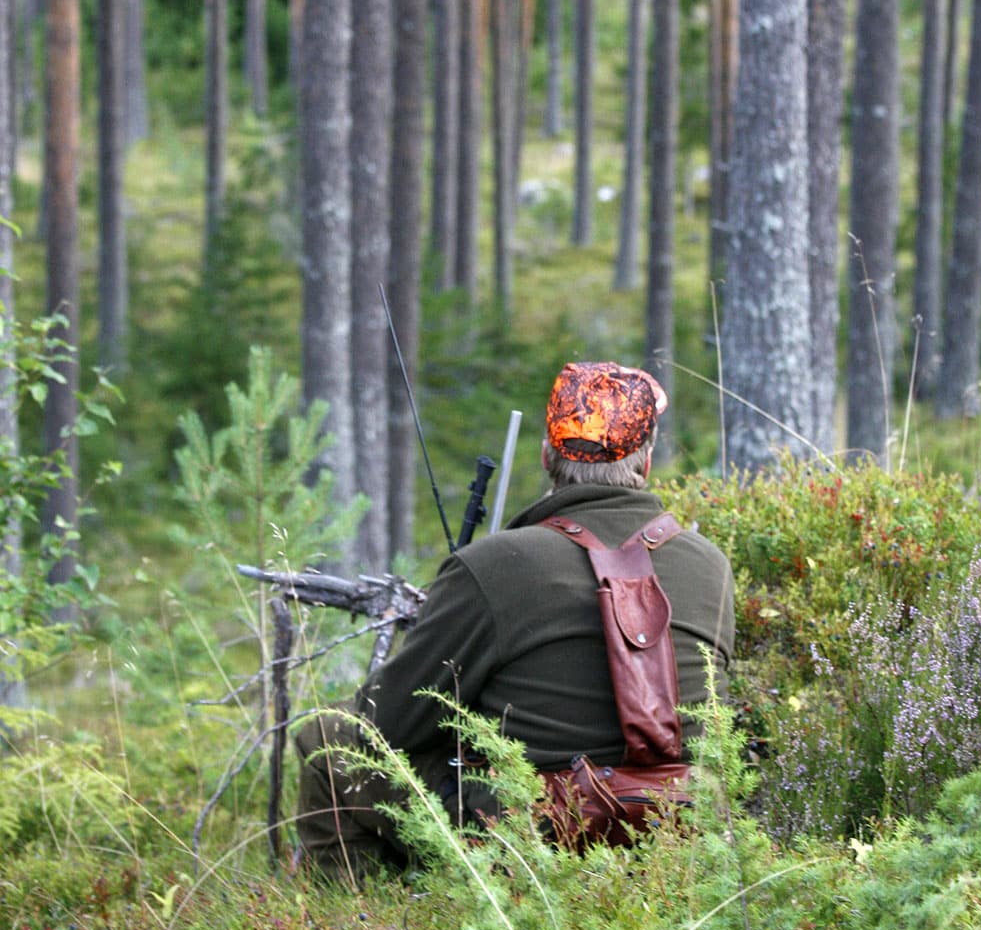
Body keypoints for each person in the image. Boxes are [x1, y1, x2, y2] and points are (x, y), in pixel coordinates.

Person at [295, 361, 735, 880]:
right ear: (646, 461)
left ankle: (368, 927)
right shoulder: (711, 566)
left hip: (536, 835)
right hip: (680, 831)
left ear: (548, 455)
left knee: (327, 740)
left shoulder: (495, 564)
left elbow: (387, 723)